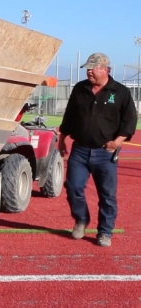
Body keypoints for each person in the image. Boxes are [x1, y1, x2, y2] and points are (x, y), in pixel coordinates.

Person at [58, 52, 138, 247]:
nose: (90, 71)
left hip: (106, 153)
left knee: (107, 195)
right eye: (88, 68)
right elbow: (69, 116)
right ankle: (81, 219)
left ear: (106, 69)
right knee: (73, 187)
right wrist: (62, 140)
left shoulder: (119, 92)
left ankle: (104, 232)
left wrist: (117, 141)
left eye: (93, 68)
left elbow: (130, 120)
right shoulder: (80, 89)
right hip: (80, 150)